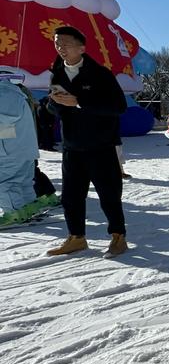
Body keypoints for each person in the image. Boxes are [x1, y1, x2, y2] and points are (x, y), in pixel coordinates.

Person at [45, 26, 128, 258]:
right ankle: (76, 237)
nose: (60, 48)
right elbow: (54, 109)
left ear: (81, 47)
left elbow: (118, 107)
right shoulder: (57, 73)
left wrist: (80, 102)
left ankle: (118, 236)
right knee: (71, 196)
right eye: (57, 43)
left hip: (100, 145)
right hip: (72, 146)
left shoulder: (101, 74)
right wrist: (54, 103)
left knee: (109, 194)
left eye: (65, 43)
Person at [0, 73, 39, 225]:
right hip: (18, 148)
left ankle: (14, 213)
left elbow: (8, 117)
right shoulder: (11, 92)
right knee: (22, 182)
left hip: (11, 151)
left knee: (5, 182)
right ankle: (27, 208)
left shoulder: (4, 93)